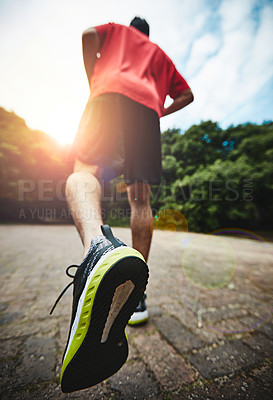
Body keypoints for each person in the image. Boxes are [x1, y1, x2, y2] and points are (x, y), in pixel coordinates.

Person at [51, 17, 194, 393]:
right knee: (140, 197)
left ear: (132, 28)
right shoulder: (159, 55)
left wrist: (94, 80)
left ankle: (96, 250)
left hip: (107, 92)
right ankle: (137, 289)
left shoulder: (116, 30)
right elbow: (186, 95)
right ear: (149, 33)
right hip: (146, 109)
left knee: (84, 168)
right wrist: (160, 110)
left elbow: (87, 35)